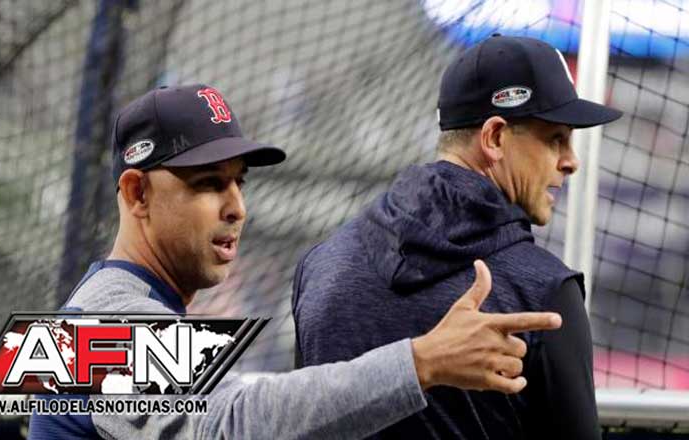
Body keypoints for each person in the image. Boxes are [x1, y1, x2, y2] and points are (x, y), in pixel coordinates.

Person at [28, 83, 563, 439]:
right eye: (208, 184)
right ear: (137, 193)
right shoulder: (102, 325)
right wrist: (421, 361)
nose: (236, 207)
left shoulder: (134, 308)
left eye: (239, 182)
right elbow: (229, 424)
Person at [293, 35, 623, 440]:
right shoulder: (544, 293)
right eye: (556, 139)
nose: (571, 161)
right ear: (495, 137)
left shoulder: (319, 265)